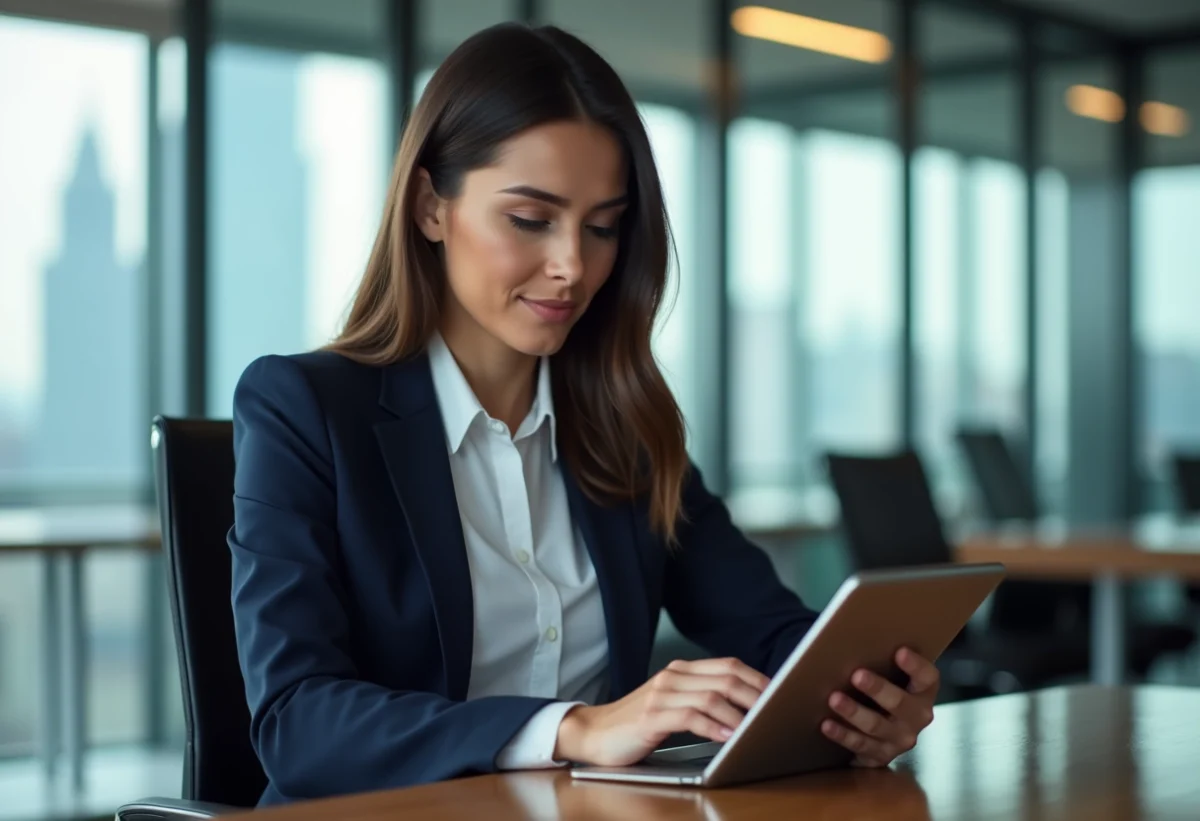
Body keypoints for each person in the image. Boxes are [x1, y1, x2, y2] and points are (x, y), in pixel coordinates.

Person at [228, 22, 939, 807]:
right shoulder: (304, 410)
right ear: (432, 206)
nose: (573, 264)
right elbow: (296, 719)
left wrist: (864, 698)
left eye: (602, 226)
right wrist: (572, 728)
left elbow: (770, 630)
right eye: (531, 219)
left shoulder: (623, 428)